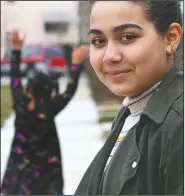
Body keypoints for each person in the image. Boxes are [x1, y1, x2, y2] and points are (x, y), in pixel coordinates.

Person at [75, 1, 183, 195]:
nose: (109, 56)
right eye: (98, 41)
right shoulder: (132, 112)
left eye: (127, 37)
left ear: (170, 38)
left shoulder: (178, 123)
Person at [1, 30, 89, 195]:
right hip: (47, 175)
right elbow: (70, 90)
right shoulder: (50, 109)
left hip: (21, 172)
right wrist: (76, 63)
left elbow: (14, 78)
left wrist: (17, 49)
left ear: (31, 90)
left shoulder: (21, 106)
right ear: (50, 92)